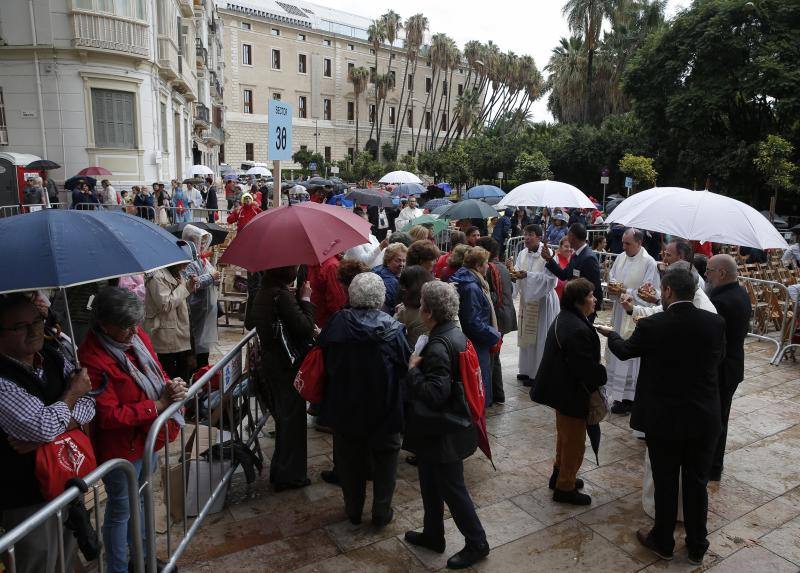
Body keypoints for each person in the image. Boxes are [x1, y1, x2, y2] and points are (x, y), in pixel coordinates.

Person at [597, 268, 726, 566]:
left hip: (664, 419)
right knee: (696, 483)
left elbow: (626, 351)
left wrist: (611, 334)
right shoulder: (715, 323)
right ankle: (696, 545)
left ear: (666, 291)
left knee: (666, 481)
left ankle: (663, 540)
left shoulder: (654, 325)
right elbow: (717, 360)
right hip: (703, 416)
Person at [79, 287, 185, 573]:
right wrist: (156, 405)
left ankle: (142, 557)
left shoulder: (137, 338)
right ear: (104, 325)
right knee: (120, 509)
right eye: (126, 327)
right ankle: (118, 568)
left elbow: (156, 370)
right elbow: (108, 415)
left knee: (140, 498)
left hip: (145, 439)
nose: (133, 331)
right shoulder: (92, 358)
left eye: (135, 324)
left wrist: (170, 385)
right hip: (120, 448)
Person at [0, 294, 94, 573]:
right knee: (37, 563)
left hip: (65, 484)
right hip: (25, 496)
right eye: (20, 327)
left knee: (64, 559)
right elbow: (40, 425)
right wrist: (72, 395)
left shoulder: (53, 357)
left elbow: (91, 404)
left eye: (37, 321)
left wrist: (51, 432)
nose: (34, 331)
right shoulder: (3, 379)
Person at [403, 281, 490, 569]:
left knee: (453, 489)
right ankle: (433, 534)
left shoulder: (439, 345)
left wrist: (413, 370)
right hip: (440, 430)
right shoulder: (454, 333)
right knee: (429, 483)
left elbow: (434, 393)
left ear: (428, 312)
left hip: (444, 431)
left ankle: (477, 542)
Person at [318, 273, 410, 526]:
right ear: (381, 298)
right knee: (386, 461)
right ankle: (381, 511)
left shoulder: (337, 323)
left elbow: (323, 356)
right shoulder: (393, 328)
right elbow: (405, 366)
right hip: (385, 407)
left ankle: (353, 509)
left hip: (346, 405)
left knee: (349, 461)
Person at [532, 278, 606, 505]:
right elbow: (583, 368)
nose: (594, 300)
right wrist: (602, 374)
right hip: (570, 392)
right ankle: (565, 487)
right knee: (574, 441)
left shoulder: (567, 319)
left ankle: (559, 474)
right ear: (579, 301)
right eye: (592, 296)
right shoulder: (576, 329)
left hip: (560, 389)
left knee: (564, 436)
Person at [246, 266, 315, 491]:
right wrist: (305, 299)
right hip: (287, 365)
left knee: (285, 418)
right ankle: (290, 475)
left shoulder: (264, 291)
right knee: (292, 420)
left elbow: (250, 321)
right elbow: (304, 328)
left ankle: (282, 469)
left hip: (272, 362)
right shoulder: (281, 295)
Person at [604, 228, 660, 415]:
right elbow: (612, 277)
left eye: (627, 243)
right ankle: (616, 392)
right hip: (619, 313)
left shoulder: (649, 262)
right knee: (616, 350)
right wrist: (613, 285)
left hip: (634, 315)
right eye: (623, 242)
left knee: (630, 354)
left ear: (639, 243)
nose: (623, 246)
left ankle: (628, 397)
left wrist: (626, 291)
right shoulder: (620, 257)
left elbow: (649, 294)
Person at [706, 254, 752, 482]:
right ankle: (714, 464)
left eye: (710, 270)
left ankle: (712, 466)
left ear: (722, 273)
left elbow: (713, 338)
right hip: (732, 364)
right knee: (721, 415)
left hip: (723, 368)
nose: (706, 274)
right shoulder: (740, 292)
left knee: (716, 418)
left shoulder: (721, 301)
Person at [449, 247, 501, 406]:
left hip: (474, 340)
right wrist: (494, 334)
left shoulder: (468, 280)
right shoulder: (471, 286)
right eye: (486, 263)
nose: (488, 266)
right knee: (478, 382)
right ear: (478, 266)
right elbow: (473, 322)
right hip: (476, 343)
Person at [509, 225, 560, 386]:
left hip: (543, 300)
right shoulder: (523, 253)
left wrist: (527, 276)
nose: (526, 238)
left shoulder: (548, 254)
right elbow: (518, 271)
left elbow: (550, 279)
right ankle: (526, 369)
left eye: (530, 234)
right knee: (527, 335)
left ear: (539, 237)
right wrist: (513, 273)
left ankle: (537, 372)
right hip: (527, 301)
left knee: (540, 337)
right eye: (525, 234)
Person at [477, 237, 517, 404]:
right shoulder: (502, 267)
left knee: (491, 359)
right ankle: (498, 394)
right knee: (496, 356)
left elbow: (492, 296)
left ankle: (491, 397)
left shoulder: (491, 268)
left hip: (497, 318)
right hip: (504, 316)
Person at [143, 262, 196, 381]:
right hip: (165, 333)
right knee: (169, 374)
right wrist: (185, 287)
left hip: (180, 331)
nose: (186, 266)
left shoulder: (176, 273)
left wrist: (189, 285)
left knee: (184, 372)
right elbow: (165, 304)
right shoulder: (156, 276)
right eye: (184, 263)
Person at [541, 223, 603, 322]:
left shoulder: (588, 258)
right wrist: (549, 259)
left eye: (568, 235)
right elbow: (564, 275)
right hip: (574, 307)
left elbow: (596, 286)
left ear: (572, 237)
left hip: (584, 308)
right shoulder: (575, 255)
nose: (567, 237)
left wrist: (593, 310)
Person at [181, 225, 220, 370]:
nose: (203, 245)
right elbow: (192, 283)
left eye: (204, 242)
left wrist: (214, 278)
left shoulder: (202, 259)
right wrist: (210, 276)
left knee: (204, 348)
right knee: (195, 347)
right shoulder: (188, 261)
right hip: (195, 308)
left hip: (206, 310)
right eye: (200, 241)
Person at [395, 265, 436, 348]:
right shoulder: (438, 302)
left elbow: (393, 330)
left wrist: (397, 313)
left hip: (416, 352)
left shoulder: (405, 310)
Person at [308, 255, 347, 328]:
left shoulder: (314, 261)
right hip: (327, 322)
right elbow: (336, 301)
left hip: (315, 317)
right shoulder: (332, 266)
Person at [373, 243, 408, 314]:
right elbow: (390, 308)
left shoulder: (377, 268)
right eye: (398, 261)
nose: (402, 264)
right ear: (388, 261)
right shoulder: (391, 282)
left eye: (404, 261)